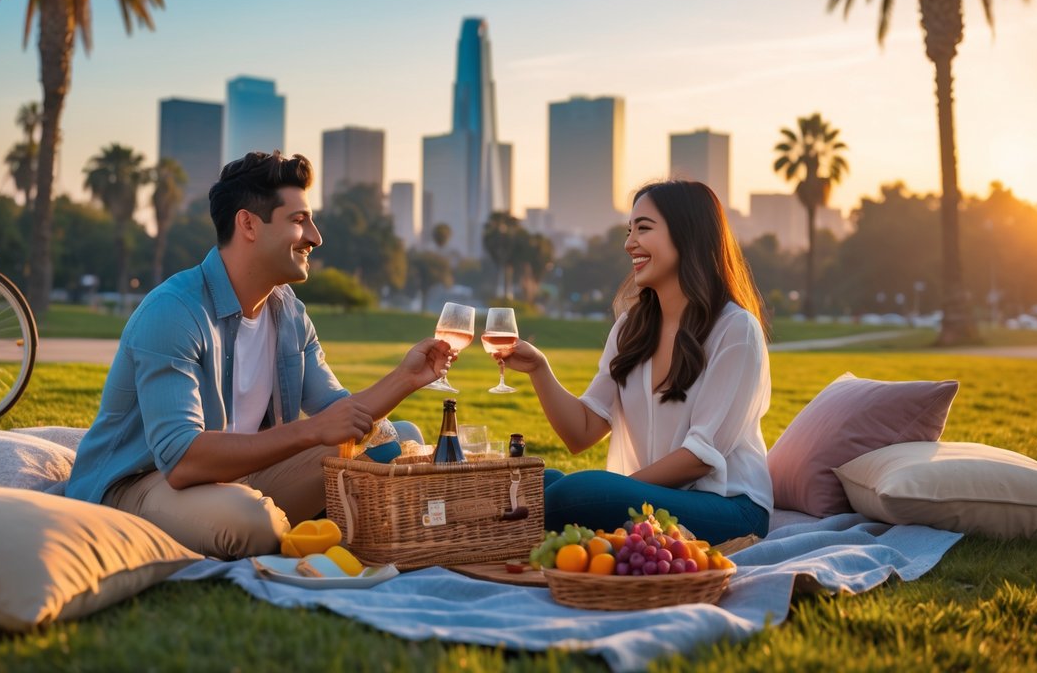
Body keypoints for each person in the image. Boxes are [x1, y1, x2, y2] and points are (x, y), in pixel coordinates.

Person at [67, 151, 453, 559]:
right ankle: (312, 526)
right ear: (249, 224)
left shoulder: (288, 313)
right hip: (142, 484)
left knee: (398, 437)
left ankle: (313, 526)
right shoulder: (173, 313)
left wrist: (405, 378)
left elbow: (343, 416)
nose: (315, 238)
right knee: (251, 521)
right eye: (299, 220)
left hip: (241, 479)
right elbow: (182, 461)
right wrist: (308, 431)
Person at [500, 180, 772, 543]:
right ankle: (502, 522)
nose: (629, 243)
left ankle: (495, 527)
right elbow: (581, 432)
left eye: (643, 228)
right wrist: (539, 369)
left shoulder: (736, 330)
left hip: (731, 508)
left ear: (687, 234)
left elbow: (700, 458)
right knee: (536, 481)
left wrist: (610, 492)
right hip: (661, 498)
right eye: (630, 231)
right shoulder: (632, 327)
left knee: (574, 494)